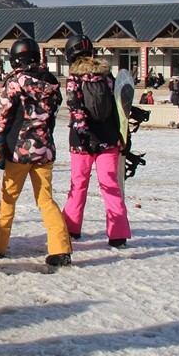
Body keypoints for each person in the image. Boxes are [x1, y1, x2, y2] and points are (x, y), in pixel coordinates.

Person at [0, 37, 71, 268]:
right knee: (46, 200)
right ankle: (61, 249)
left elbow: (3, 117)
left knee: (8, 199)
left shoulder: (15, 82)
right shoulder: (51, 82)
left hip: (17, 150)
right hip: (45, 149)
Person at [60, 35, 131, 248]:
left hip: (81, 141)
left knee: (78, 185)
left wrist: (84, 133)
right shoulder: (107, 76)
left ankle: (71, 228)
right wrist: (119, 135)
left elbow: (76, 109)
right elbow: (119, 108)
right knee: (111, 185)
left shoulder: (74, 79)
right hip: (108, 139)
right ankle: (117, 233)